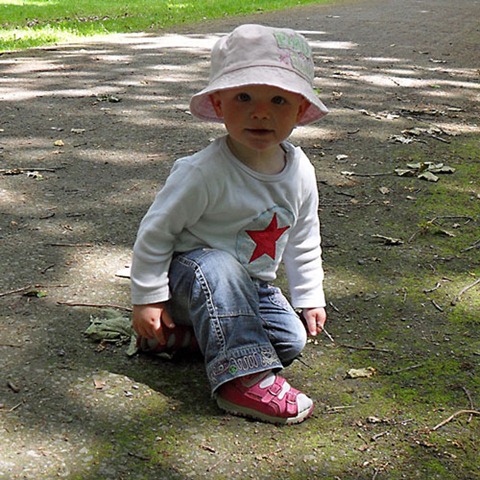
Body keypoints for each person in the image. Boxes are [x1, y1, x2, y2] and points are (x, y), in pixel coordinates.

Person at [130, 24, 329, 425]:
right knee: (218, 265)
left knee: (289, 340)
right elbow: (156, 233)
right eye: (244, 97)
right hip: (189, 280)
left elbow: (304, 236)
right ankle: (242, 382)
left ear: (300, 110)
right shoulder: (203, 172)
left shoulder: (300, 171)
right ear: (219, 104)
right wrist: (148, 297)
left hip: (249, 288)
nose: (260, 112)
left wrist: (310, 296)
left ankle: (184, 340)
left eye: (278, 99)